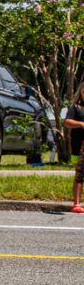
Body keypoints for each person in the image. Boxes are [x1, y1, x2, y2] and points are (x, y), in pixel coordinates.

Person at [63, 81, 84, 213]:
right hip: (79, 148)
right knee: (79, 174)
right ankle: (76, 203)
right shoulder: (75, 108)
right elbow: (66, 122)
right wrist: (82, 124)